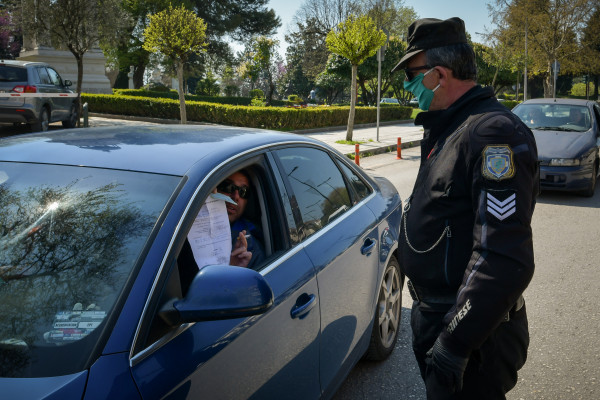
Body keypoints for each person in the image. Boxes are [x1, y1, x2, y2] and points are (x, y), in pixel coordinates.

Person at [390, 17, 539, 399]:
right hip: (437, 316)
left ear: (438, 74)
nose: (407, 85)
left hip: (472, 335)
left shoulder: (492, 133)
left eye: (411, 74)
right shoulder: (450, 127)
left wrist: (455, 342)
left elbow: (502, 256)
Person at [215, 170, 265, 269]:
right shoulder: (184, 223)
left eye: (244, 191)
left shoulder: (250, 250)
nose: (236, 196)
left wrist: (233, 269)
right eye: (228, 187)